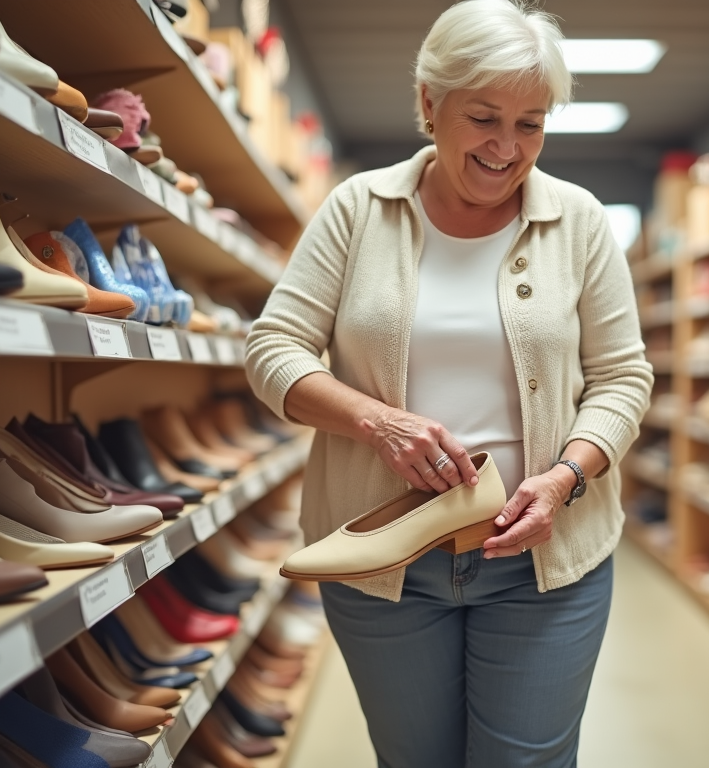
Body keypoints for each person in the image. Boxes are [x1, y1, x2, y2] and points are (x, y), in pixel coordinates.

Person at [245, 1, 653, 764]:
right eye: (485, 117)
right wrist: (377, 421)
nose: (507, 147)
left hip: (543, 558)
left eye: (531, 123)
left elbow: (623, 377)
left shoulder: (581, 221)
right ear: (430, 103)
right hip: (383, 558)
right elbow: (274, 350)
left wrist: (566, 477)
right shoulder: (357, 210)